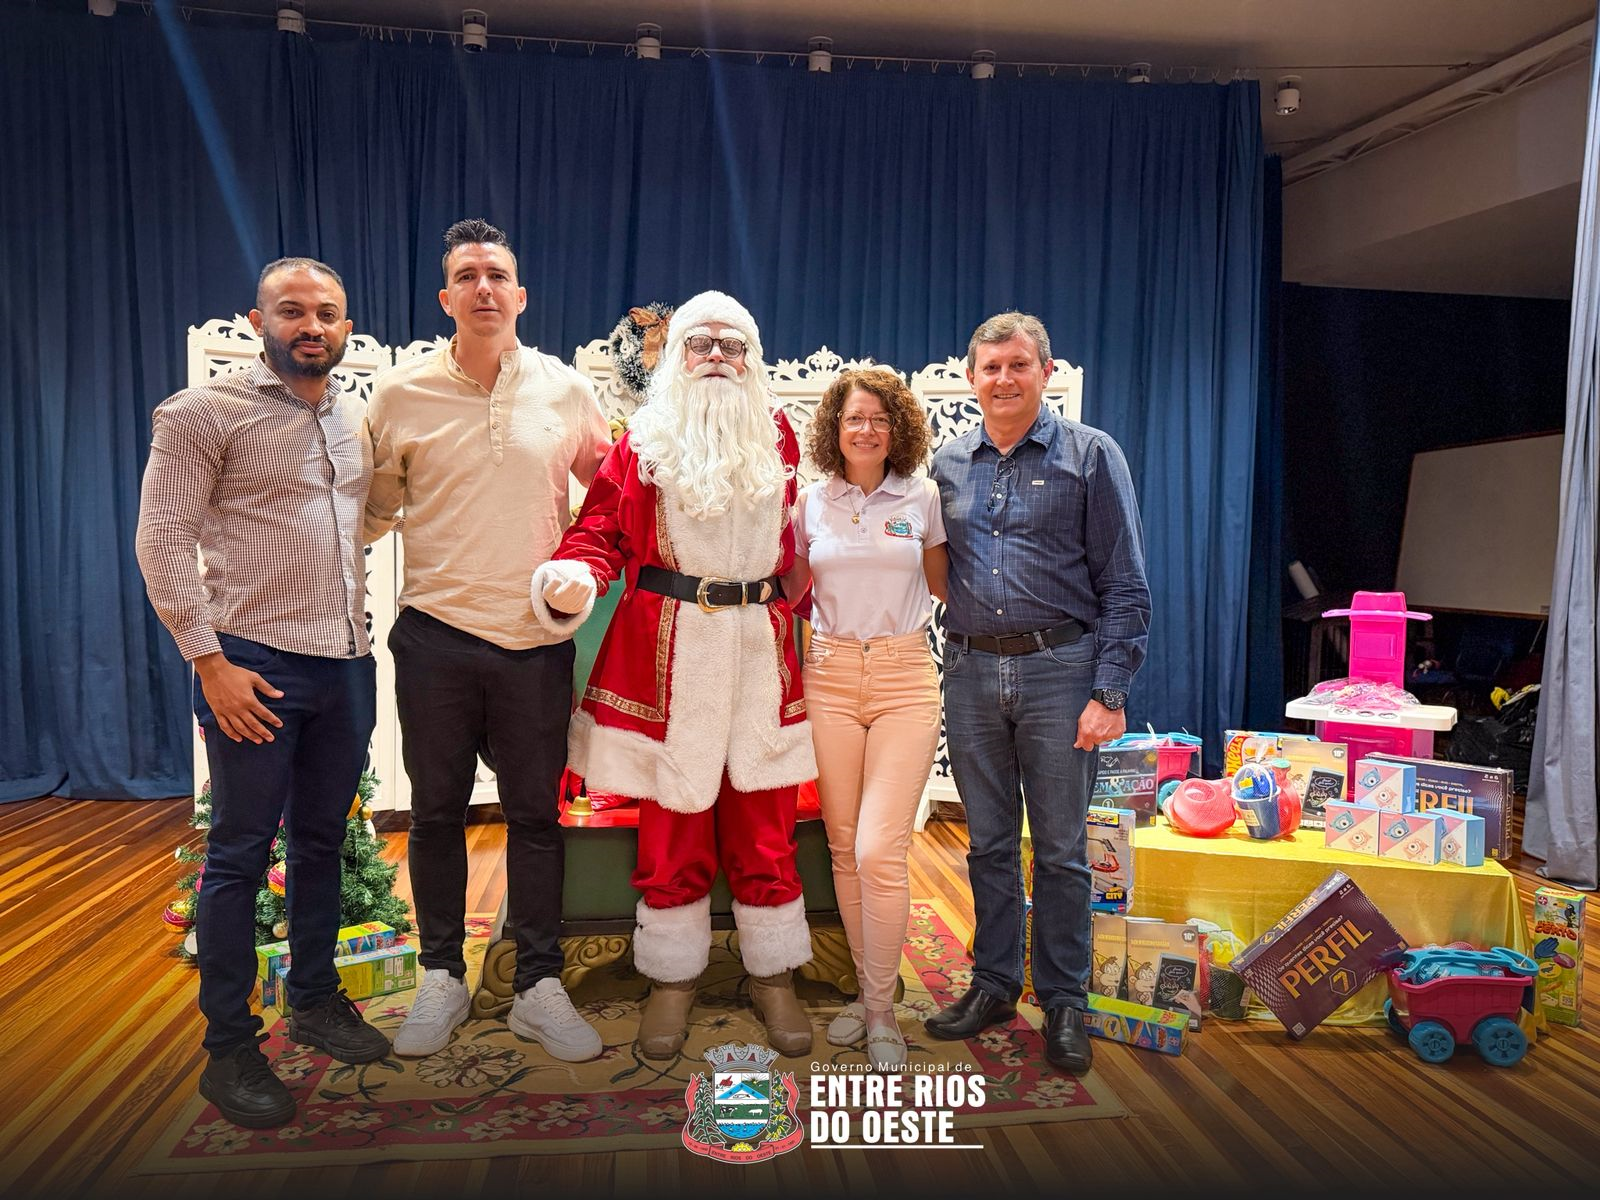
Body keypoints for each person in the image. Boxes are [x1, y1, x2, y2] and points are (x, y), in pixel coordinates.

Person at [136, 257, 391, 1129]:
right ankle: (228, 1049)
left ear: (346, 328)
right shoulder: (201, 413)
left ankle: (314, 1001)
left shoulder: (353, 417)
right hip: (250, 664)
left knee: (323, 840)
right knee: (241, 854)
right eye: (292, 311)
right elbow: (161, 541)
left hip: (346, 661)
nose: (310, 325)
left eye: (327, 312)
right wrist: (208, 663)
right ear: (257, 321)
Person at [529, 291, 817, 1061]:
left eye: (731, 343)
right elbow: (599, 528)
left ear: (752, 359)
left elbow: (799, 543)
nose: (716, 355)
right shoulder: (644, 440)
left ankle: (774, 975)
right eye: (700, 342)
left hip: (756, 652)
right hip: (669, 654)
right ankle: (672, 980)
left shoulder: (778, 435)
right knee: (673, 824)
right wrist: (576, 575)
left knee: (766, 825)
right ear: (678, 355)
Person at [364, 219, 610, 1062]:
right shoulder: (398, 396)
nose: (483, 288)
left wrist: (587, 566)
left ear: (520, 295)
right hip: (434, 636)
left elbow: (613, 498)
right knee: (435, 814)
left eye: (497, 275)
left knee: (537, 816)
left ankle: (539, 985)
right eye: (466, 276)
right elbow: (366, 513)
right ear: (446, 298)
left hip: (535, 643)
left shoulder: (565, 391)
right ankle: (441, 976)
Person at [922, 312, 1151, 1075]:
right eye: (990, 368)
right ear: (970, 378)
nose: (1004, 379)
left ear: (1045, 372)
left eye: (1018, 365)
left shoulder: (1092, 455)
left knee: (1059, 851)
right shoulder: (946, 465)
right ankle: (993, 984)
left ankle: (1064, 1000)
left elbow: (1126, 583)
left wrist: (1110, 691)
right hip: (970, 672)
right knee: (986, 843)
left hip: (1063, 673)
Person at [780, 367, 946, 1071]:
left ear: (897, 427)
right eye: (854, 418)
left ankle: (880, 1010)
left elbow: (949, 587)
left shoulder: (923, 496)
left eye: (880, 418)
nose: (867, 429)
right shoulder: (810, 504)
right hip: (830, 675)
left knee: (881, 849)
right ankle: (868, 995)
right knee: (845, 848)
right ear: (835, 429)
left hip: (906, 675)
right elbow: (789, 591)